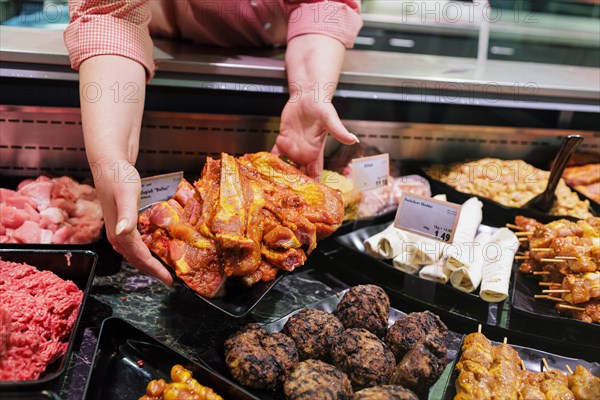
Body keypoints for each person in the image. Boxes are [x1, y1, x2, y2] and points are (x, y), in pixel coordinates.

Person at [64, 0, 363, 286]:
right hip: (151, 55)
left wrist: (311, 92)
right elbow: (113, 16)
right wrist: (111, 157)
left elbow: (318, 3)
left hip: (287, 56)